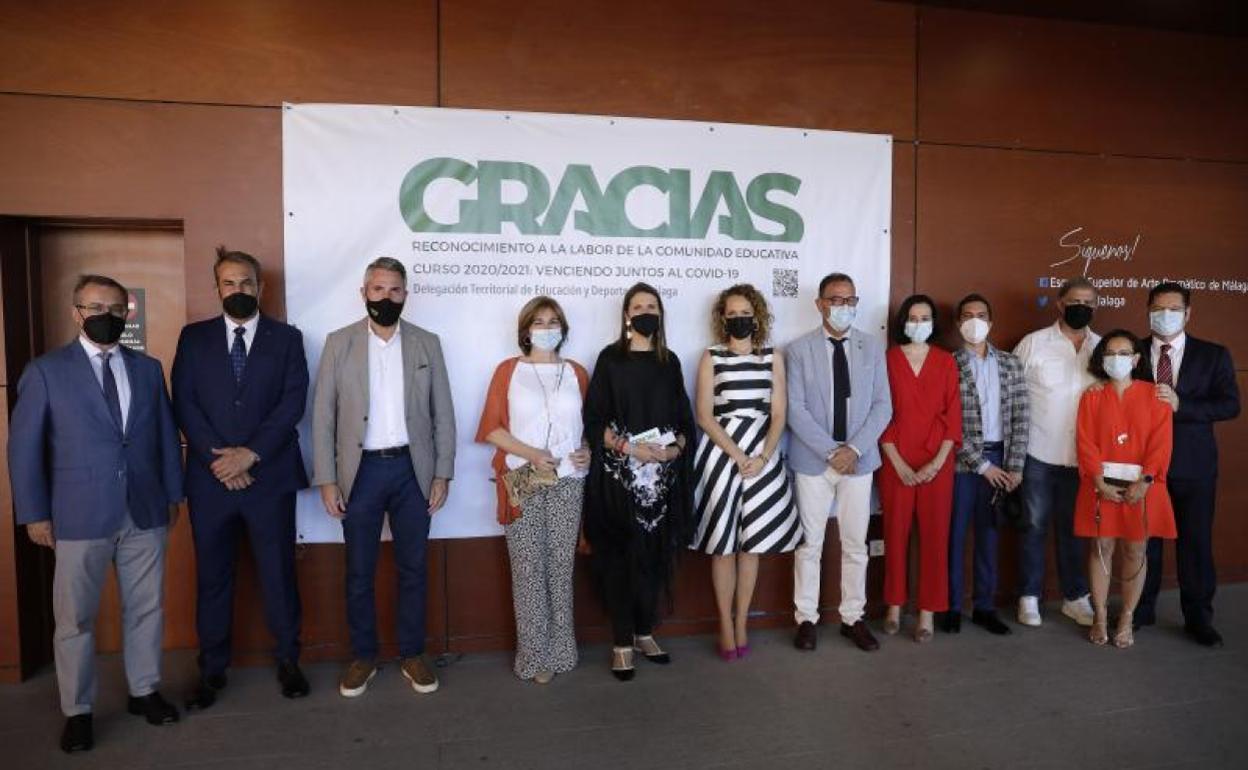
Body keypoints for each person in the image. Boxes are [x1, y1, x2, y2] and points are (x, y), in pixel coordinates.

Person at [8, 274, 184, 753]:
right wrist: (34, 514)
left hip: (145, 510)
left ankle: (144, 690)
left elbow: (166, 437)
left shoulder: (148, 370)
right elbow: (24, 450)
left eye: (114, 307)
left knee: (147, 608)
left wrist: (173, 495)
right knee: (74, 620)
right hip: (77, 515)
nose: (105, 315)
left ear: (127, 313)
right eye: (94, 307)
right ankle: (78, 711)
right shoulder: (46, 371)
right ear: (76, 312)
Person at [173, 247, 310, 710]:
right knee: (213, 578)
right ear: (217, 288)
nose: (239, 290)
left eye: (247, 282)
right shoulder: (193, 339)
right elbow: (185, 403)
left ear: (261, 287)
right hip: (211, 482)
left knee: (278, 573)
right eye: (229, 283)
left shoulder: (287, 339)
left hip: (268, 478)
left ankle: (289, 661)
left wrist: (249, 455)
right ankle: (211, 669)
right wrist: (223, 462)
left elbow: (293, 403)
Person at [311, 257, 455, 697]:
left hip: (414, 470)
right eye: (378, 290)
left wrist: (443, 473)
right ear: (364, 293)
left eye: (395, 290)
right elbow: (323, 416)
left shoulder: (427, 343)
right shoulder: (340, 343)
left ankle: (412, 654)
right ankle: (363, 656)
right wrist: (328, 479)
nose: (386, 297)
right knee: (359, 571)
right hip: (362, 472)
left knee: (414, 568)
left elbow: (443, 413)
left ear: (405, 295)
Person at [476, 297, 591, 684]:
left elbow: (588, 427)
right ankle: (534, 657)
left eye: (553, 320)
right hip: (522, 478)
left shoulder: (577, 372)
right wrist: (533, 455)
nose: (546, 327)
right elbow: (492, 428)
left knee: (560, 568)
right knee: (527, 569)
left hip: (568, 482)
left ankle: (562, 651)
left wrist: (586, 451)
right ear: (525, 329)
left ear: (563, 328)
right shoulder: (508, 371)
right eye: (539, 321)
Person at [582, 282, 694, 681]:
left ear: (660, 313)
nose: (645, 311)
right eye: (637, 306)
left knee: (653, 559)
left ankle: (646, 632)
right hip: (618, 481)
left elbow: (685, 421)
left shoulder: (671, 361)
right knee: (618, 561)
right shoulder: (610, 360)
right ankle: (621, 642)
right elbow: (593, 420)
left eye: (652, 305)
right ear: (626, 315)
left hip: (661, 483)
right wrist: (628, 448)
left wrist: (674, 450)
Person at [691, 284, 800, 660]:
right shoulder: (711, 356)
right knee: (723, 546)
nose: (739, 319)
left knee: (752, 544)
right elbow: (704, 416)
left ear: (757, 316)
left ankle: (742, 622)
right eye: (732, 314)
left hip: (761, 458)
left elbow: (780, 414)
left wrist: (763, 456)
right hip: (722, 454)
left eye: (745, 313)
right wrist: (738, 455)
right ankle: (724, 622)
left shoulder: (773, 357)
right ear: (723, 319)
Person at [787, 272, 892, 653]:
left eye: (849, 300)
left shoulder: (871, 347)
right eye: (835, 299)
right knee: (809, 544)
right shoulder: (798, 350)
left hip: (859, 462)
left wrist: (854, 450)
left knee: (855, 544)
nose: (842, 307)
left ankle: (853, 617)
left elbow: (883, 406)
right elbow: (795, 410)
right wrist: (833, 451)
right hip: (814, 461)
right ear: (819, 304)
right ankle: (806, 618)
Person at [1135, 282, 1239, 647]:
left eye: (1173, 309)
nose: (1165, 316)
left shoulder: (1213, 354)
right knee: (1143, 543)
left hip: (1194, 466)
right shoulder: (1130, 352)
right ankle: (1140, 610)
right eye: (1158, 308)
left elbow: (1230, 405)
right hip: (1143, 466)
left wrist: (1184, 406)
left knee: (1195, 544)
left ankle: (1198, 617)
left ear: (1188, 313)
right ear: (1147, 311)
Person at [1074, 330, 1176, 648]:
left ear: (1135, 359)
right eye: (1110, 353)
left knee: (1135, 549)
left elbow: (1161, 443)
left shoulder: (1155, 394)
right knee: (1101, 549)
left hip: (1143, 487)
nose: (1116, 359)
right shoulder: (1091, 396)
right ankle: (1101, 616)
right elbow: (1085, 441)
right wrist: (1097, 480)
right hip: (1100, 486)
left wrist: (1145, 481)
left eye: (1123, 353)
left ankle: (1127, 616)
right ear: (1102, 359)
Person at [1012, 276, 1100, 628]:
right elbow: (1012, 397)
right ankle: (1029, 596)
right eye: (1076, 301)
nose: (1083, 308)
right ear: (1060, 303)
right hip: (1038, 452)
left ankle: (1075, 597)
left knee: (1075, 529)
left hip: (1083, 458)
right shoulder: (1033, 344)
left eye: (1090, 303)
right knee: (1032, 526)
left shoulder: (1104, 348)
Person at [944, 294, 1028, 636]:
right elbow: (948, 424)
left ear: (991, 323)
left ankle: (984, 606)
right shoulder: (947, 364)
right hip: (963, 464)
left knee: (989, 538)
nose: (974, 321)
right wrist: (981, 466)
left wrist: (1016, 466)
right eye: (967, 315)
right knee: (955, 537)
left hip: (1002, 460)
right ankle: (949, 607)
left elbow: (1022, 415)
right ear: (957, 323)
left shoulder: (1010, 364)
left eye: (981, 315)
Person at [879, 295, 961, 643]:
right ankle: (894, 606)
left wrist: (938, 462)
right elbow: (881, 413)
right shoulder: (888, 360)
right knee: (894, 535)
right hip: (895, 460)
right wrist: (897, 462)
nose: (918, 323)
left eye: (924, 317)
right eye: (912, 317)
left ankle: (927, 611)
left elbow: (952, 416)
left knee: (935, 538)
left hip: (937, 464)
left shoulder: (945, 362)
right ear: (902, 322)